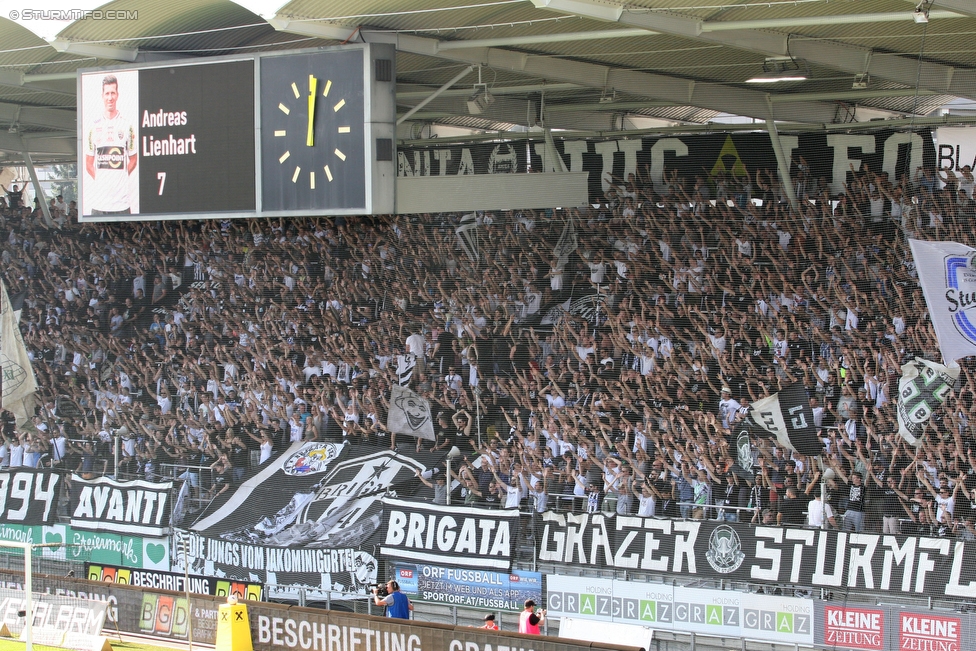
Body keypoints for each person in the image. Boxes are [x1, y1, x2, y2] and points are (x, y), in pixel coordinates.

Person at [84, 74, 137, 215]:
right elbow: (88, 163)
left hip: (122, 205)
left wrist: (123, 176)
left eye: (113, 93)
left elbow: (133, 158)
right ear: (102, 95)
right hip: (99, 204)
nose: (110, 97)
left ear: (117, 95)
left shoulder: (127, 125)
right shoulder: (93, 127)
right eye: (107, 93)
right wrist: (101, 181)